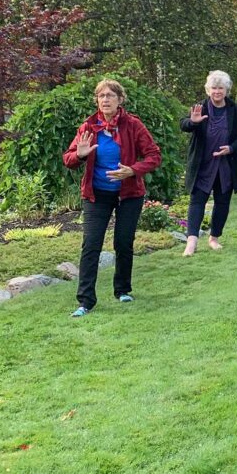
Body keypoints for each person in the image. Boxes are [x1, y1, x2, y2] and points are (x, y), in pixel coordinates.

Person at [63, 78, 162, 317]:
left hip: (129, 194)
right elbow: (68, 159)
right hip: (96, 195)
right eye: (101, 96)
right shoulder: (88, 127)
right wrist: (80, 154)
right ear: (97, 100)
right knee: (91, 245)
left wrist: (132, 170)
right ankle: (85, 301)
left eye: (110, 95)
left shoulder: (133, 125)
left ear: (120, 99)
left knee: (123, 243)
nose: (105, 100)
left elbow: (154, 156)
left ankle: (122, 290)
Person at [180, 70, 237, 256]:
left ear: (226, 90)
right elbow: (183, 124)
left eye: (220, 88)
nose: (217, 91)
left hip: (226, 165)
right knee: (197, 201)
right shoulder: (200, 108)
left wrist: (231, 148)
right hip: (203, 164)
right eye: (214, 87)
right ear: (208, 90)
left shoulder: (235, 110)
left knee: (222, 202)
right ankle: (191, 242)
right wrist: (193, 122)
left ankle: (214, 238)